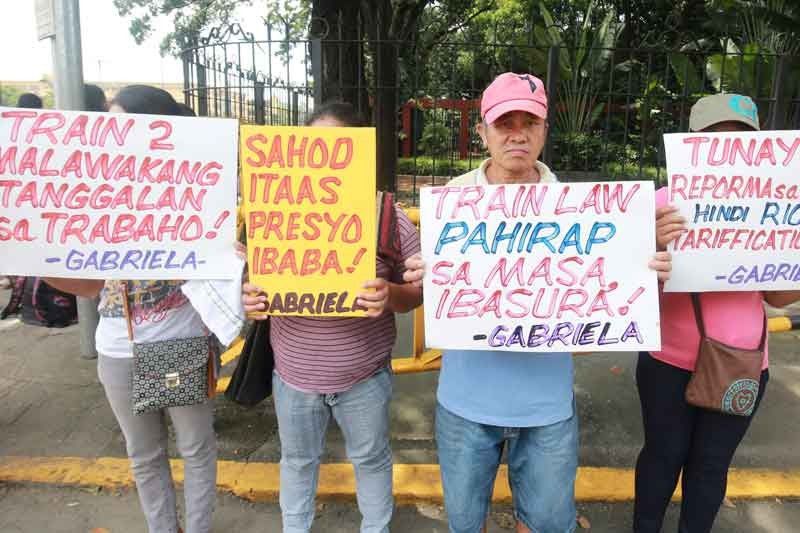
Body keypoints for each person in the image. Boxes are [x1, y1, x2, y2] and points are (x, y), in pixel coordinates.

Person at [402, 72, 672, 533]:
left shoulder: (588, 214)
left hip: (546, 410)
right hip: (466, 406)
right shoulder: (451, 207)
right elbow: (422, 297)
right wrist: (421, 280)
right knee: (466, 525)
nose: (518, 133)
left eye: (530, 121)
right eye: (505, 122)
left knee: (547, 524)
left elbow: (597, 324)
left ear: (545, 130)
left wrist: (647, 276)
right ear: (484, 131)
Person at [241, 101, 424, 533]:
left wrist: (393, 294)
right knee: (298, 463)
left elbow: (419, 290)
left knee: (371, 459)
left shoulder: (388, 218)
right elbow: (249, 281)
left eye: (338, 146)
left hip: (364, 379)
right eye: (314, 145)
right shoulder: (273, 216)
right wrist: (248, 299)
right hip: (292, 377)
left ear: (361, 153)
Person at [44, 85, 218, 533]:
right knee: (143, 454)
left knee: (195, 447)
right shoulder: (94, 193)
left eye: (122, 124)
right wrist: (39, 263)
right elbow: (86, 286)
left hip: (177, 339)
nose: (113, 134)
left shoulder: (190, 186)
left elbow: (216, 263)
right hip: (118, 348)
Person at [633, 93, 800, 533]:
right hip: (666, 362)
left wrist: (791, 252)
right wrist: (652, 244)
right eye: (716, 140)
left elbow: (780, 298)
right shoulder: (660, 204)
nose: (730, 151)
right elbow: (624, 292)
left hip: (742, 362)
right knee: (662, 456)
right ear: (694, 144)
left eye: (742, 141)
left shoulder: (774, 203)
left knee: (710, 466)